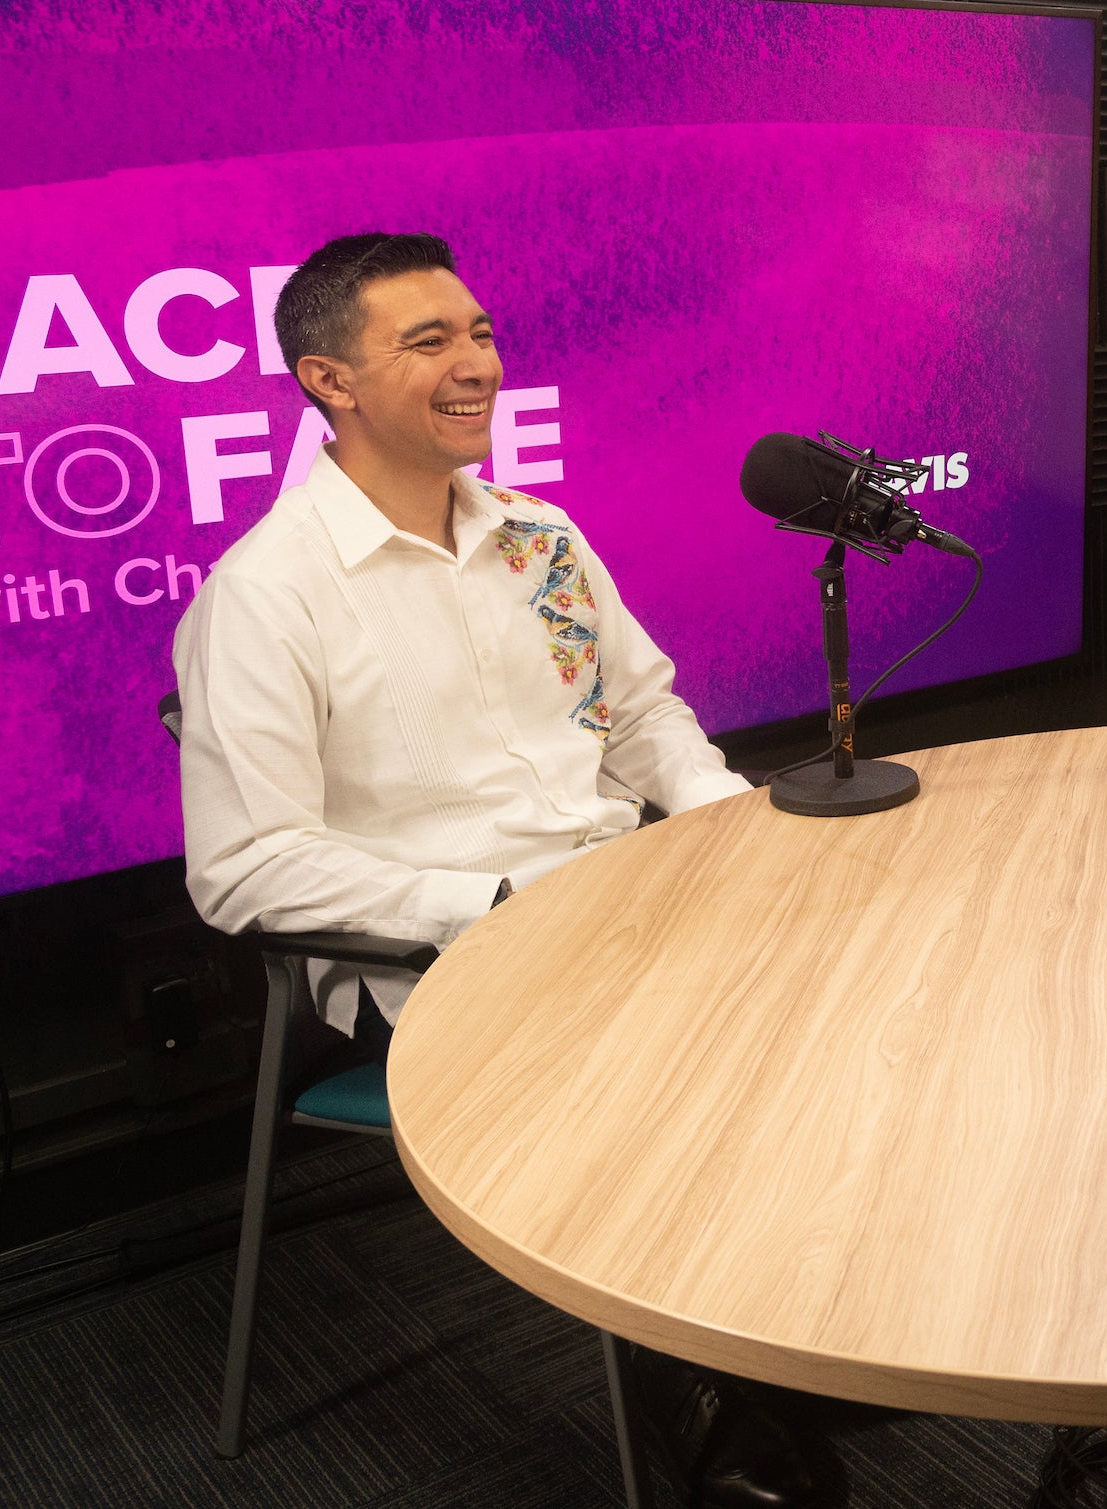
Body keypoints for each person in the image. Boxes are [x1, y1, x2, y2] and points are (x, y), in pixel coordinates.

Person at [174, 231, 827, 1509]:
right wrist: (492, 907)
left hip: (626, 900)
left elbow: (642, 717)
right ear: (329, 381)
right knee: (696, 1061)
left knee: (864, 971)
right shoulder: (267, 596)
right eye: (429, 342)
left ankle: (812, 1314)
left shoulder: (539, 538)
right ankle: (718, 1398)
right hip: (443, 958)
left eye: (479, 332)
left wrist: (726, 822)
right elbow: (244, 865)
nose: (476, 363)